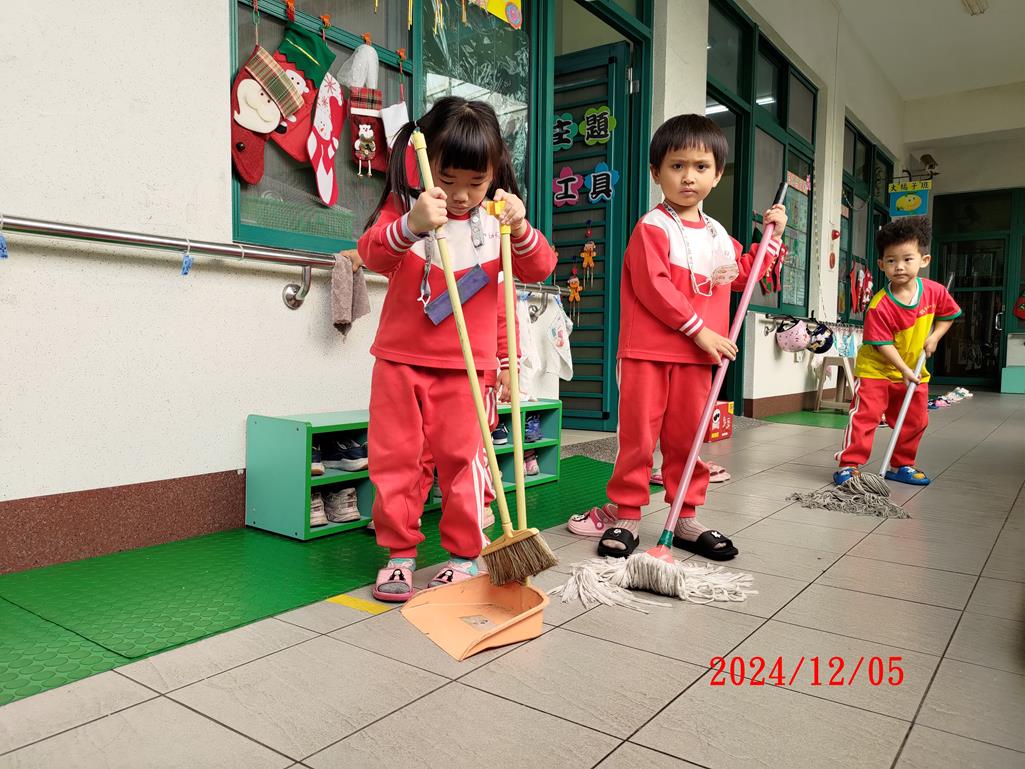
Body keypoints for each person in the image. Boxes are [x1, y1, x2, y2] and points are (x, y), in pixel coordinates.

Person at [358, 97, 555, 601]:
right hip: (399, 361)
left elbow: (538, 269)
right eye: (448, 179)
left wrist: (522, 227)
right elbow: (371, 255)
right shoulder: (409, 208)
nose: (461, 195)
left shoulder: (498, 223)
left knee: (464, 462)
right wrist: (411, 224)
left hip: (469, 370)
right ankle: (400, 555)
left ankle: (465, 556)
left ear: (495, 173)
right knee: (395, 462)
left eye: (476, 182)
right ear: (424, 162)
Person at [569, 114, 787, 560]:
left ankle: (685, 517)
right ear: (656, 172)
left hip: (698, 357)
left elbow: (743, 277)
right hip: (647, 352)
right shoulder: (653, 226)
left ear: (717, 175)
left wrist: (773, 238)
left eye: (701, 167)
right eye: (677, 166)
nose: (689, 176)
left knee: (689, 439)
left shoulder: (719, 236)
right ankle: (627, 514)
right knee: (638, 438)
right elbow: (654, 287)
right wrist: (700, 330)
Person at [834, 216, 960, 486]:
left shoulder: (935, 292)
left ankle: (902, 465)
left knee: (916, 420)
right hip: (877, 370)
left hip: (915, 370)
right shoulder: (880, 305)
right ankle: (849, 465)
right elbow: (882, 345)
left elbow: (948, 315)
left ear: (924, 260)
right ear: (881, 265)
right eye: (891, 260)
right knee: (865, 417)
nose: (899, 266)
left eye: (907, 259)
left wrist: (935, 337)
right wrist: (902, 369)